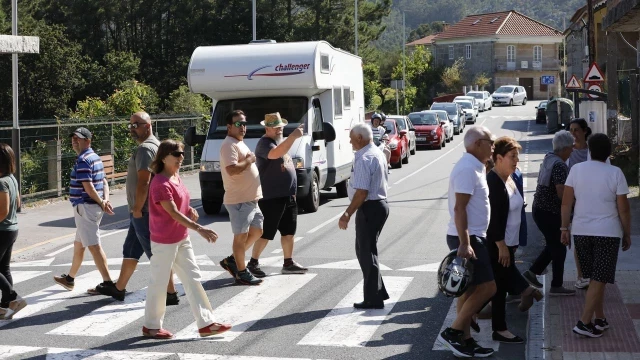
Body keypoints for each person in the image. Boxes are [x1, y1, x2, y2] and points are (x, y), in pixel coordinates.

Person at [143, 139, 231, 339]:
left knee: (193, 278)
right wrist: (200, 228)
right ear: (164, 158)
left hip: (181, 237)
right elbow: (172, 212)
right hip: (164, 240)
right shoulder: (159, 183)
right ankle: (151, 326)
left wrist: (189, 209)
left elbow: (179, 205)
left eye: (182, 153)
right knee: (159, 282)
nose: (181, 158)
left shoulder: (175, 176)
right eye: (176, 154)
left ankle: (206, 323)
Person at [93, 112, 178, 304]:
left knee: (156, 253)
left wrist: (138, 208)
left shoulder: (146, 149)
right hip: (143, 210)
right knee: (131, 248)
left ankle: (170, 293)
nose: (132, 128)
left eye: (136, 125)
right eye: (130, 125)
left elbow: (143, 182)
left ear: (148, 126)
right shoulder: (157, 146)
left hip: (144, 211)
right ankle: (119, 288)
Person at [561, 133, 631, 338]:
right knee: (599, 279)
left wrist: (564, 229)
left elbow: (566, 203)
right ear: (609, 152)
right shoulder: (615, 173)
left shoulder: (575, 170)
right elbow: (624, 209)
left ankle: (599, 319)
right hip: (607, 233)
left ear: (589, 150)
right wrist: (627, 233)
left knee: (594, 279)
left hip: (581, 232)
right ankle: (584, 322)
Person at [438, 126, 496, 358]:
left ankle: (465, 338)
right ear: (476, 143)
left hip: (473, 235)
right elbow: (459, 208)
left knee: (468, 289)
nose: (493, 145)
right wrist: (465, 242)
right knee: (489, 286)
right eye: (490, 141)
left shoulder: (476, 166)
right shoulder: (466, 169)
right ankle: (452, 332)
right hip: (468, 237)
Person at [485, 137, 543, 344]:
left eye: (517, 156)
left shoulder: (508, 178)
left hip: (509, 243)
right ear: (499, 158)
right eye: (512, 156)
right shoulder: (493, 182)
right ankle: (498, 328)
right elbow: (493, 219)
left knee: (498, 283)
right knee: (498, 287)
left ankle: (474, 317)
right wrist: (501, 244)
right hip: (499, 244)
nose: (516, 160)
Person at [54, 128, 116, 293]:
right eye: (73, 138)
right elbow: (104, 182)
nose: (74, 141)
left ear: (88, 140)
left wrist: (102, 201)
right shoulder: (95, 157)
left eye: (78, 138)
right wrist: (105, 200)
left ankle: (108, 283)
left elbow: (88, 188)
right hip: (92, 207)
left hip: (85, 207)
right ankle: (70, 279)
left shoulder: (83, 160)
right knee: (79, 245)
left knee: (94, 246)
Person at [248, 113, 308, 277]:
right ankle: (253, 262)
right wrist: (294, 137)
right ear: (267, 128)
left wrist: (293, 190)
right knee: (266, 232)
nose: (279, 130)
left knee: (289, 232)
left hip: (287, 195)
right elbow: (274, 154)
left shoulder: (280, 142)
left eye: (280, 127)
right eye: (275, 128)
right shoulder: (264, 143)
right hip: (271, 196)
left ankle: (288, 262)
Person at [338, 123, 390, 310]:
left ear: (360, 138)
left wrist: (346, 214)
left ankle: (373, 299)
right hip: (378, 206)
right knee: (367, 251)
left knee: (366, 252)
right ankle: (377, 292)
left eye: (352, 137)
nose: (350, 141)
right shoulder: (375, 152)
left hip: (370, 207)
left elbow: (361, 192)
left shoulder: (365, 158)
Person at [522, 130, 576, 296]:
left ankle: (532, 272)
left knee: (553, 245)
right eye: (571, 148)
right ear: (565, 148)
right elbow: (561, 193)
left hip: (540, 209)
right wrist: (573, 204)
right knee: (559, 246)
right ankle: (556, 286)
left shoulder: (548, 158)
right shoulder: (559, 165)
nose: (573, 151)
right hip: (550, 212)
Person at [219, 110, 264, 285]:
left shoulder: (239, 142)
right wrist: (250, 161)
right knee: (241, 237)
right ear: (229, 127)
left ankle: (233, 260)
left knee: (258, 231)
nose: (243, 127)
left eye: (244, 123)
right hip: (239, 200)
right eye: (238, 124)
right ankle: (241, 272)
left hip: (251, 199)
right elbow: (232, 169)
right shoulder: (229, 144)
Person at [566, 118, 609, 290]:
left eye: (576, 130)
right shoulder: (567, 151)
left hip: (594, 199)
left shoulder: (594, 150)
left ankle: (594, 275)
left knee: (594, 238)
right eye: (571, 130)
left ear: (585, 131)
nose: (573, 134)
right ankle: (582, 275)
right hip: (575, 200)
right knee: (580, 239)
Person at [0, 144, 27, 320]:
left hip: (2, 230)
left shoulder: (1, 183)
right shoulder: (12, 179)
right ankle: (5, 307)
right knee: (4, 267)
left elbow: (3, 210)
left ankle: (12, 297)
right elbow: (17, 204)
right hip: (12, 229)